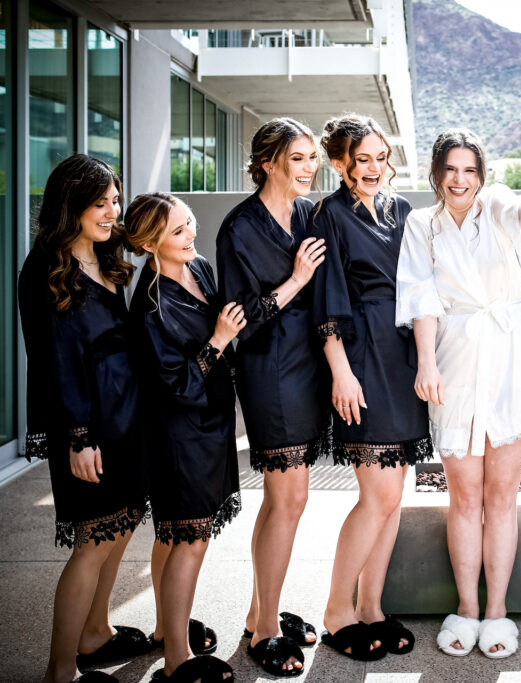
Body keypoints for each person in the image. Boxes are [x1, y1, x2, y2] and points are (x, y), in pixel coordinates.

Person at [396, 128, 521, 658]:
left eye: (470, 169)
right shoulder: (421, 224)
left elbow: (520, 213)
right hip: (455, 359)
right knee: (464, 496)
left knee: (503, 497)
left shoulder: (494, 203)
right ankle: (467, 607)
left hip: (512, 357)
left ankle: (498, 612)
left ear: (482, 174)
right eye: (451, 169)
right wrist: (425, 363)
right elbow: (421, 296)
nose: (460, 179)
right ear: (436, 173)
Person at [18, 154, 151, 683]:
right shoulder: (46, 272)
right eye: (100, 203)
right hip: (88, 428)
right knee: (93, 541)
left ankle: (96, 632)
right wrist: (78, 437)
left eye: (115, 200)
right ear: (69, 206)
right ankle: (60, 670)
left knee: (122, 526)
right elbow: (56, 365)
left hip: (128, 422)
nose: (111, 211)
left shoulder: (109, 257)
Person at [311, 114, 431, 661]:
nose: (375, 169)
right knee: (376, 495)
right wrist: (340, 369)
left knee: (393, 497)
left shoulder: (401, 209)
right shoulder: (329, 215)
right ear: (340, 163)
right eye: (363, 160)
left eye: (383, 158)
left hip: (403, 354)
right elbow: (327, 296)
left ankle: (371, 608)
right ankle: (338, 611)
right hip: (361, 356)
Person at [215, 117, 329, 677]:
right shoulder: (238, 228)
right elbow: (240, 321)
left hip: (309, 368)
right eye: (300, 158)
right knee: (290, 500)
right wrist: (295, 281)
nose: (311, 168)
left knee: (282, 502)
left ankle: (261, 610)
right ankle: (263, 631)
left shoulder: (310, 213)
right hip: (269, 372)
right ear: (267, 161)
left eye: (313, 157)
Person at [123, 193, 241, 682]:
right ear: (151, 243)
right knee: (189, 538)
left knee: (174, 534)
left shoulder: (202, 268)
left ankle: (163, 629)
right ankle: (177, 661)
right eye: (178, 231)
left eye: (189, 223)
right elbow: (174, 384)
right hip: (177, 430)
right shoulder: (150, 304)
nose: (191, 234)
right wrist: (218, 339)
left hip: (211, 422)